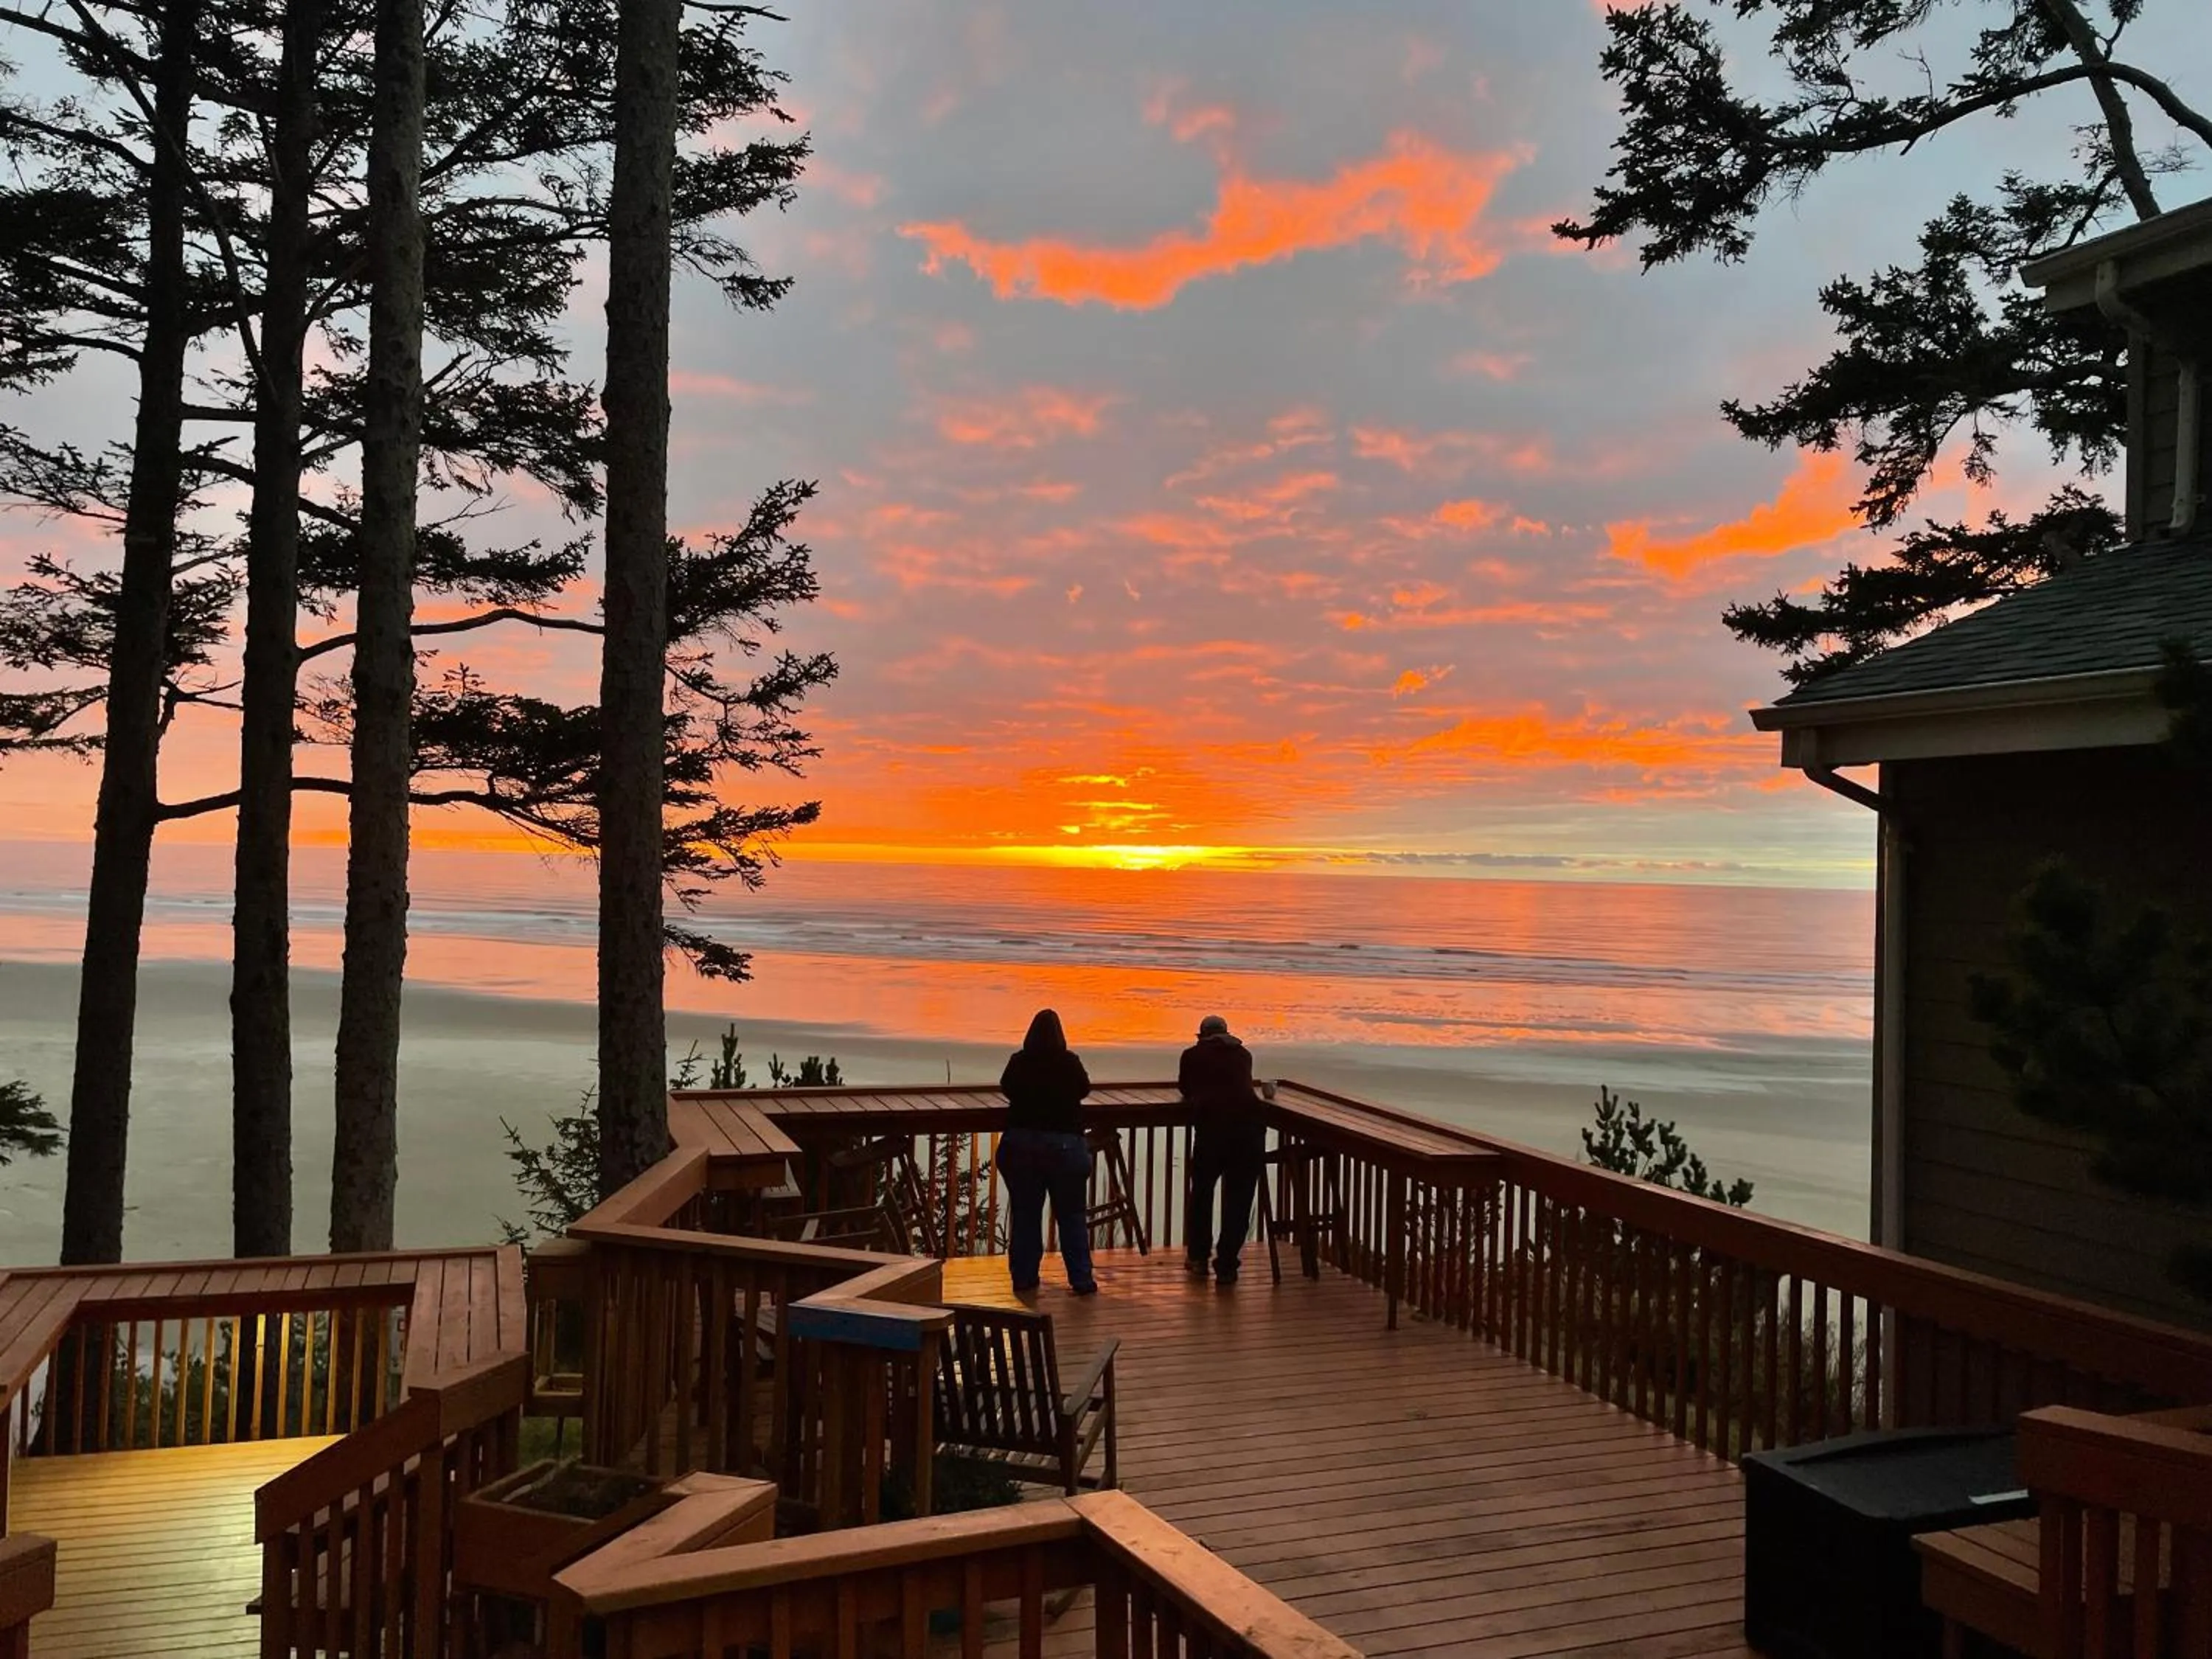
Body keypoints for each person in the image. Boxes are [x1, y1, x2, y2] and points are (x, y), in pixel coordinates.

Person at [997, 1009, 1099, 1295]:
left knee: (1026, 1215)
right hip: (1066, 1147)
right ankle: (1081, 1280)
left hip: (1021, 1145)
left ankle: (1024, 1278)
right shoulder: (1069, 1062)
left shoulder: (1019, 1062)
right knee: (1072, 1216)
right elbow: (1084, 1089)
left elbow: (1007, 1087)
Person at [1179, 1014, 1267, 1285]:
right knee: (1239, 1200)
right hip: (1249, 1133)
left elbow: (1185, 1087)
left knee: (1202, 1195)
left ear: (1202, 1035)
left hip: (1212, 1133)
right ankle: (1227, 1265)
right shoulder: (1243, 1055)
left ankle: (1198, 1259)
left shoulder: (1192, 1056)